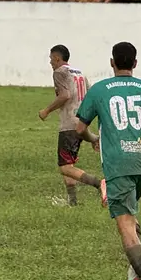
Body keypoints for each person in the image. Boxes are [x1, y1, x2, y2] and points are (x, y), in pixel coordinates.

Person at [75, 42, 141, 280]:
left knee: (125, 224)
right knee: (131, 208)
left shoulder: (99, 90)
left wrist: (93, 138)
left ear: (112, 63)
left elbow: (78, 128)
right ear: (135, 64)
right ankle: (133, 271)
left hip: (119, 162)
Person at [38, 44, 104, 206]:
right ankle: (72, 202)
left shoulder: (59, 72)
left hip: (69, 124)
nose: (50, 62)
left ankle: (100, 184)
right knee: (68, 163)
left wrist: (47, 110)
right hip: (81, 121)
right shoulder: (80, 73)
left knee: (65, 167)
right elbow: (89, 96)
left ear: (57, 58)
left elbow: (65, 95)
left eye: (51, 58)